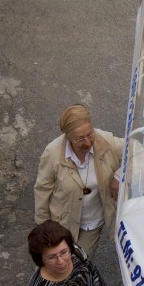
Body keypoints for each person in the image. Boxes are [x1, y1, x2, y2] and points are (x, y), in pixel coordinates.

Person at [34, 105, 124, 260]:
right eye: (80, 139)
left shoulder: (106, 141)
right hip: (62, 223)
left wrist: (119, 176)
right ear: (67, 137)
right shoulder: (52, 153)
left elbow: (141, 150)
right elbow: (42, 189)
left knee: (78, 264)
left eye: (90, 134)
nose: (87, 143)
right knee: (54, 263)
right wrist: (44, 227)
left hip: (92, 224)